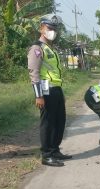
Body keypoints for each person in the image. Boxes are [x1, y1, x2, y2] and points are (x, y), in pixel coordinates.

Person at [27, 13, 72, 167]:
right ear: (41, 28)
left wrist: (60, 91)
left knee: (60, 121)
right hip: (46, 91)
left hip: (56, 89)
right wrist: (38, 96)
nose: (52, 31)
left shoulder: (50, 48)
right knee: (48, 123)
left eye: (54, 28)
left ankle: (55, 150)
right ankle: (47, 155)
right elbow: (34, 73)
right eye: (49, 27)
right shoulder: (37, 48)